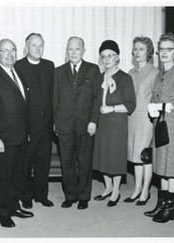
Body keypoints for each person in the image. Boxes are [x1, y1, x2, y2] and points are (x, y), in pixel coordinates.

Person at [0, 39, 34, 228]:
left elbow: (22, 108)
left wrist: (26, 133)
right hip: (2, 140)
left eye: (13, 50)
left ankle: (14, 207)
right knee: (1, 178)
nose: (9, 54)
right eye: (5, 51)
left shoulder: (18, 74)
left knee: (16, 177)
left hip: (19, 138)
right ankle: (2, 214)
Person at [144, 32, 174, 223]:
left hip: (171, 125)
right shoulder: (160, 74)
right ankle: (161, 204)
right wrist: (152, 107)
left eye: (168, 49)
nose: (164, 53)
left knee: (170, 168)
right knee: (160, 166)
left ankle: (171, 208)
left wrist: (161, 107)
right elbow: (155, 98)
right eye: (161, 49)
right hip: (159, 123)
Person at [53, 36, 102, 210]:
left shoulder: (93, 70)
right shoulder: (58, 72)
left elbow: (97, 99)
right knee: (67, 161)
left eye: (77, 49)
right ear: (67, 51)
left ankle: (83, 196)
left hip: (86, 124)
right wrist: (55, 122)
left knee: (84, 161)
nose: (73, 52)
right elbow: (55, 99)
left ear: (83, 50)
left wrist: (93, 121)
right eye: (70, 49)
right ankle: (70, 195)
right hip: (64, 124)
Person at [93, 40, 136, 207]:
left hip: (117, 123)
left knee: (115, 157)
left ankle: (116, 191)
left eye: (110, 55)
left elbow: (131, 104)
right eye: (103, 56)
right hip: (102, 124)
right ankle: (108, 187)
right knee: (103, 155)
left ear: (117, 57)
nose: (107, 59)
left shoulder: (125, 78)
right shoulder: (100, 77)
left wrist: (111, 109)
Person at [15, 33, 55, 209]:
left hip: (46, 125)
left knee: (43, 162)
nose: (38, 48)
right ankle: (26, 196)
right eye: (34, 45)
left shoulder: (49, 65)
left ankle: (41, 195)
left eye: (41, 45)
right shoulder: (18, 66)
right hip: (28, 127)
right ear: (26, 47)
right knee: (25, 164)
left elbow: (52, 95)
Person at [125, 36, 159, 205]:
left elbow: (157, 98)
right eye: (136, 49)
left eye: (141, 49)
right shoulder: (130, 73)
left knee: (145, 156)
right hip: (131, 118)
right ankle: (137, 189)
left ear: (149, 52)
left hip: (146, 119)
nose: (137, 52)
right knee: (135, 156)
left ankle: (146, 191)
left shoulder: (155, 72)